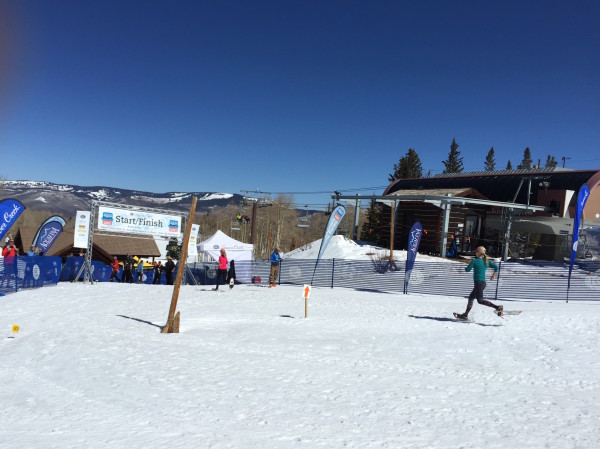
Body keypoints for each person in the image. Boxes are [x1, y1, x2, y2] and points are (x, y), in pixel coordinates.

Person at [454, 246, 502, 320]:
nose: (475, 252)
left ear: (479, 253)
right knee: (471, 298)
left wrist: (467, 266)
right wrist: (493, 275)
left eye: (476, 251)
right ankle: (465, 315)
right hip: (482, 283)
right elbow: (496, 267)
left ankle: (498, 307)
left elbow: (467, 270)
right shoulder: (486, 261)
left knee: (480, 301)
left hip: (478, 283)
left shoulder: (475, 261)